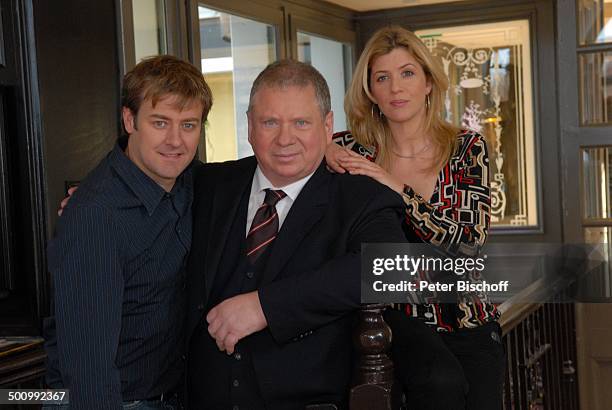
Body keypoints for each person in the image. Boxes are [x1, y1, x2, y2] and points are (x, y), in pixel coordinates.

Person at [184, 59, 407, 409]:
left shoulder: (361, 198)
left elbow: (391, 267)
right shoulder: (209, 184)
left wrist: (266, 307)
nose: (284, 138)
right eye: (270, 122)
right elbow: (152, 174)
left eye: (301, 122)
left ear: (328, 125)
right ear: (250, 127)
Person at [326, 26, 505, 410]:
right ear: (370, 91)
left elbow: (467, 243)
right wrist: (321, 149)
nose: (396, 88)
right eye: (382, 78)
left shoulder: (465, 148)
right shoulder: (350, 150)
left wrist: (396, 188)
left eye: (407, 73)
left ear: (428, 82)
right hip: (394, 323)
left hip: (468, 321)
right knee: (437, 386)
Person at [43, 55, 212, 410]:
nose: (175, 141)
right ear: (129, 120)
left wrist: (325, 149)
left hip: (171, 395)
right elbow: (87, 366)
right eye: (160, 122)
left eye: (189, 125)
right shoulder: (95, 215)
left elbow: (260, 168)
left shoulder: (192, 182)